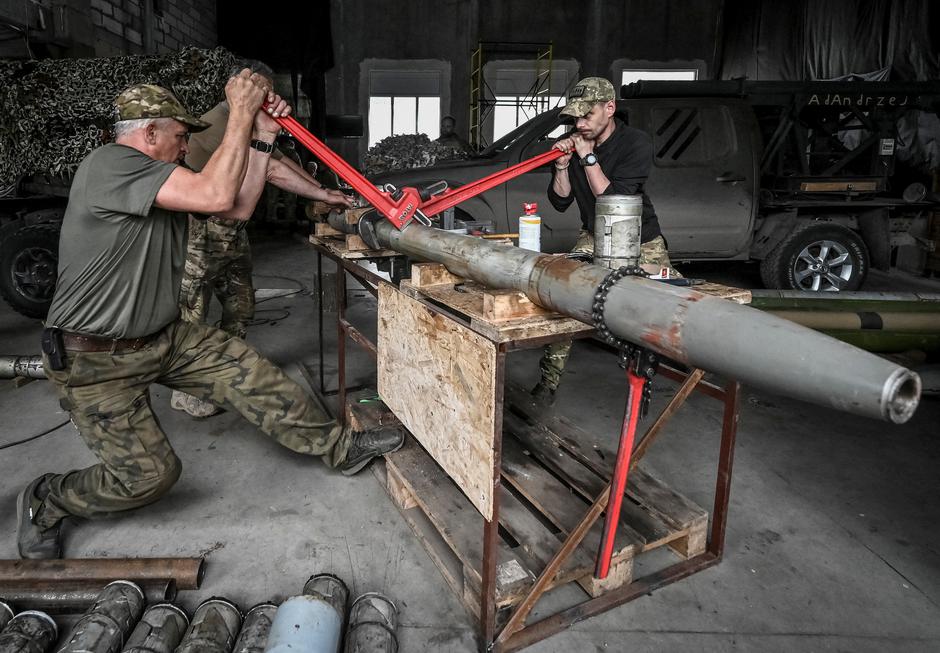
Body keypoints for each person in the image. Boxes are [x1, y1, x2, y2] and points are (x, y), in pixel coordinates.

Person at [17, 72, 403, 560]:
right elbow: (217, 195)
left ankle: (341, 450)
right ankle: (47, 499)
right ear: (148, 132)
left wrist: (262, 132)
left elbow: (237, 208)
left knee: (252, 374)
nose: (185, 147)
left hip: (162, 337)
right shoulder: (111, 164)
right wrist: (239, 112)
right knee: (149, 478)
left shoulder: (159, 181)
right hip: (94, 359)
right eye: (180, 136)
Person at [171, 61, 352, 418]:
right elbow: (268, 169)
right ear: (239, 87)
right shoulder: (224, 122)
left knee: (241, 307)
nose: (269, 98)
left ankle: (225, 375)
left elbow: (277, 161)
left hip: (232, 234)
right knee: (193, 318)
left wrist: (322, 192)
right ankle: (187, 391)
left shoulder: (253, 120)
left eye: (270, 92)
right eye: (261, 91)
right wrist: (321, 194)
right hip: (199, 233)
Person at [532, 77, 679, 405]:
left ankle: (696, 370)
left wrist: (587, 157)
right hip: (593, 235)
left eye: (587, 116)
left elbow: (614, 201)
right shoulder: (575, 141)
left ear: (609, 108)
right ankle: (548, 381)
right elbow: (560, 201)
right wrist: (560, 166)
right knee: (565, 291)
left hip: (639, 238)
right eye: (575, 118)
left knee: (675, 303)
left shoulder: (635, 144)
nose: (579, 124)